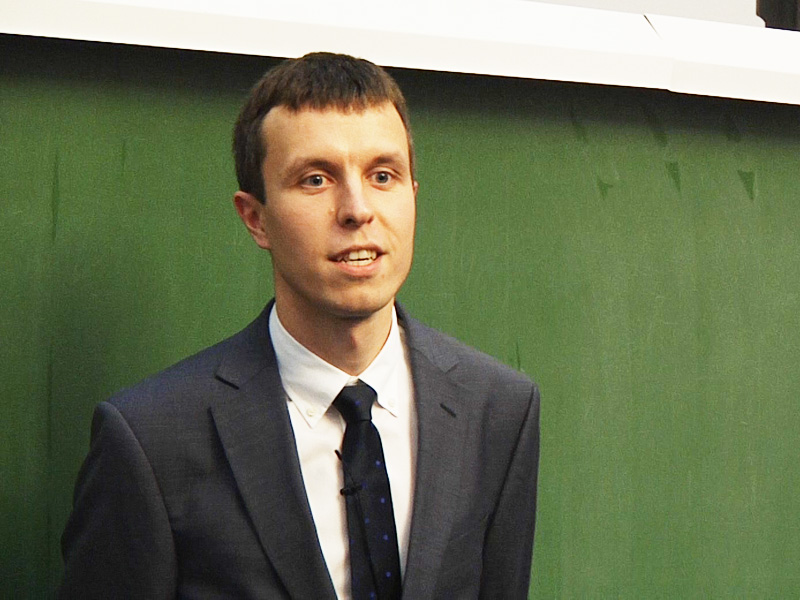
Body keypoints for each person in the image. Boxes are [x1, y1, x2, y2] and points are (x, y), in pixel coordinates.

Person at [59, 52, 540, 599]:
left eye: (383, 175)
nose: (357, 209)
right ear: (255, 218)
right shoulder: (150, 441)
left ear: (412, 195)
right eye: (316, 179)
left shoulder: (498, 410)